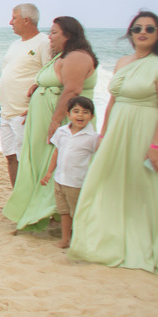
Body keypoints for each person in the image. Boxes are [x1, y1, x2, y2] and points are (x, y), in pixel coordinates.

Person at [69, 11, 158, 275]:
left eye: (149, 28)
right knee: (110, 184)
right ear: (130, 33)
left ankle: (149, 241)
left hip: (148, 133)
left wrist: (156, 145)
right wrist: (104, 134)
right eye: (136, 28)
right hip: (118, 133)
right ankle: (111, 239)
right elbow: (113, 101)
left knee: (146, 187)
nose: (142, 32)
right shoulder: (123, 62)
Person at [3, 16, 98, 232]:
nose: (50, 36)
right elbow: (54, 83)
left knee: (56, 165)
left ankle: (55, 214)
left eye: (54, 32)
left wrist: (55, 121)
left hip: (62, 121)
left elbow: (72, 91)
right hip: (43, 117)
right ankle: (44, 212)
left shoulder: (77, 57)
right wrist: (35, 102)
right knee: (39, 164)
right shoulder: (63, 56)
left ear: (69, 35)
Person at [0, 4, 51, 187]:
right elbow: (6, 78)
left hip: (24, 113)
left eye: (14, 18)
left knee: (27, 158)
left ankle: (30, 197)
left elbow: (49, 78)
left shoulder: (44, 43)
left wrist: (36, 107)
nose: (10, 22)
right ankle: (17, 195)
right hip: (7, 111)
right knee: (10, 157)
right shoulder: (15, 45)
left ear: (26, 20)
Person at [39, 96, 97, 249]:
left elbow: (98, 158)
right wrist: (49, 173)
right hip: (60, 180)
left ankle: (81, 241)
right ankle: (65, 240)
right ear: (68, 114)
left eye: (85, 112)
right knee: (64, 212)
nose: (80, 115)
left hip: (76, 183)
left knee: (77, 213)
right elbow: (57, 152)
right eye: (76, 111)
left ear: (91, 116)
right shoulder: (62, 131)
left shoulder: (92, 137)